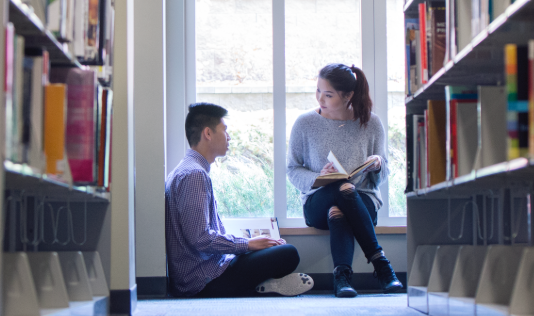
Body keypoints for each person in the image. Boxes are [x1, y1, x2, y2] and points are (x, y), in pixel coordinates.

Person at [165, 102, 314, 298]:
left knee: (274, 247)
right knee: (288, 253)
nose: (229, 137)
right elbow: (199, 239)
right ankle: (260, 287)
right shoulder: (194, 175)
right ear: (208, 134)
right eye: (224, 130)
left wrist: (248, 245)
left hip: (208, 270)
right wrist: (247, 244)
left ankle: (264, 285)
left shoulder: (188, 170)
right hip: (203, 279)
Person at [287, 63, 404, 298]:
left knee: (340, 205)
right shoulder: (304, 123)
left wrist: (378, 165)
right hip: (317, 202)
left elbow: (383, 173)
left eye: (328, 94)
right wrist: (319, 177)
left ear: (348, 95)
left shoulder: (371, 123)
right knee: (343, 188)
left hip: (363, 202)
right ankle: (381, 264)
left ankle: (342, 278)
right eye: (318, 90)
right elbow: (292, 169)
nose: (320, 98)